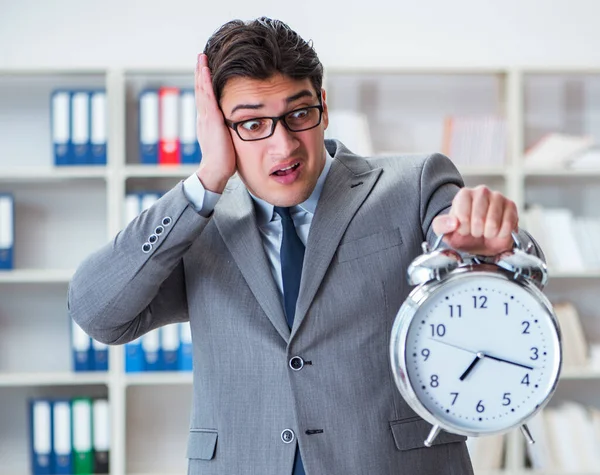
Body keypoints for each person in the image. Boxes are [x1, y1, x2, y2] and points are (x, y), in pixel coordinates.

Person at [68, 17, 543, 475]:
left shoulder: (412, 184)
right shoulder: (197, 225)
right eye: (253, 124)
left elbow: (479, 242)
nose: (284, 147)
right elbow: (97, 312)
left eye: (299, 114)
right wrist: (208, 177)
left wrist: (491, 248)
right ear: (220, 129)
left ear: (324, 106)